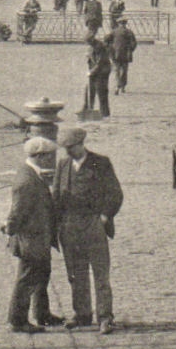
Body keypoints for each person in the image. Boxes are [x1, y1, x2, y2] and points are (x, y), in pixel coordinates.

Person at [51, 126, 123, 334]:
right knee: (76, 273)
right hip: (70, 226)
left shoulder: (100, 164)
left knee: (100, 273)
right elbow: (56, 195)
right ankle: (82, 314)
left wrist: (104, 216)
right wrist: (58, 224)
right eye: (65, 148)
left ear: (81, 144)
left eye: (71, 147)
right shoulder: (63, 165)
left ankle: (105, 317)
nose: (67, 152)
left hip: (93, 224)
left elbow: (115, 193)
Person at [5, 137, 59, 334]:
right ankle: (17, 320)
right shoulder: (27, 181)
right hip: (31, 240)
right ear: (40, 156)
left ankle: (42, 314)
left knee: (42, 275)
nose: (52, 159)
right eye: (50, 156)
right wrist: (9, 228)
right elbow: (18, 212)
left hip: (39, 238)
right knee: (27, 279)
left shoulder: (30, 173)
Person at [83, 34, 112, 118]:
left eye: (87, 42)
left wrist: (91, 71)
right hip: (94, 71)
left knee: (101, 91)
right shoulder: (92, 47)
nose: (87, 44)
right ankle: (89, 109)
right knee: (90, 90)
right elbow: (91, 60)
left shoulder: (100, 47)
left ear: (91, 40)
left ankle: (104, 112)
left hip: (103, 71)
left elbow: (100, 63)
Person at [109, 16, 137, 94]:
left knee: (117, 71)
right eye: (122, 23)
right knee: (123, 71)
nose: (122, 25)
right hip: (125, 55)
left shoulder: (114, 32)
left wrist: (110, 50)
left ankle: (118, 86)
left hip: (116, 54)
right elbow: (134, 43)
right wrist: (130, 50)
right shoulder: (129, 32)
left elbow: (106, 41)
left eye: (123, 23)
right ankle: (122, 86)